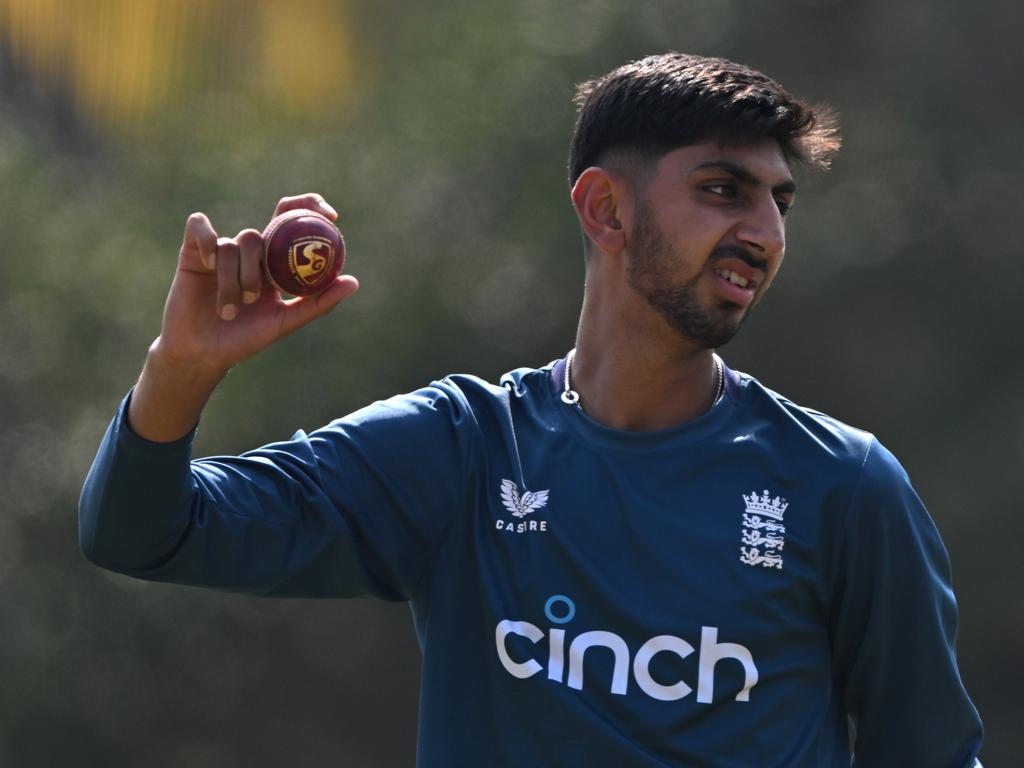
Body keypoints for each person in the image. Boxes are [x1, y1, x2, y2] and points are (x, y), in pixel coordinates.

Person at [79, 53, 984, 767]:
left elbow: (934, 753)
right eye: (723, 189)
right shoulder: (463, 449)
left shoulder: (842, 483)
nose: (766, 231)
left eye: (779, 201)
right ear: (604, 209)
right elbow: (143, 531)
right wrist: (183, 368)